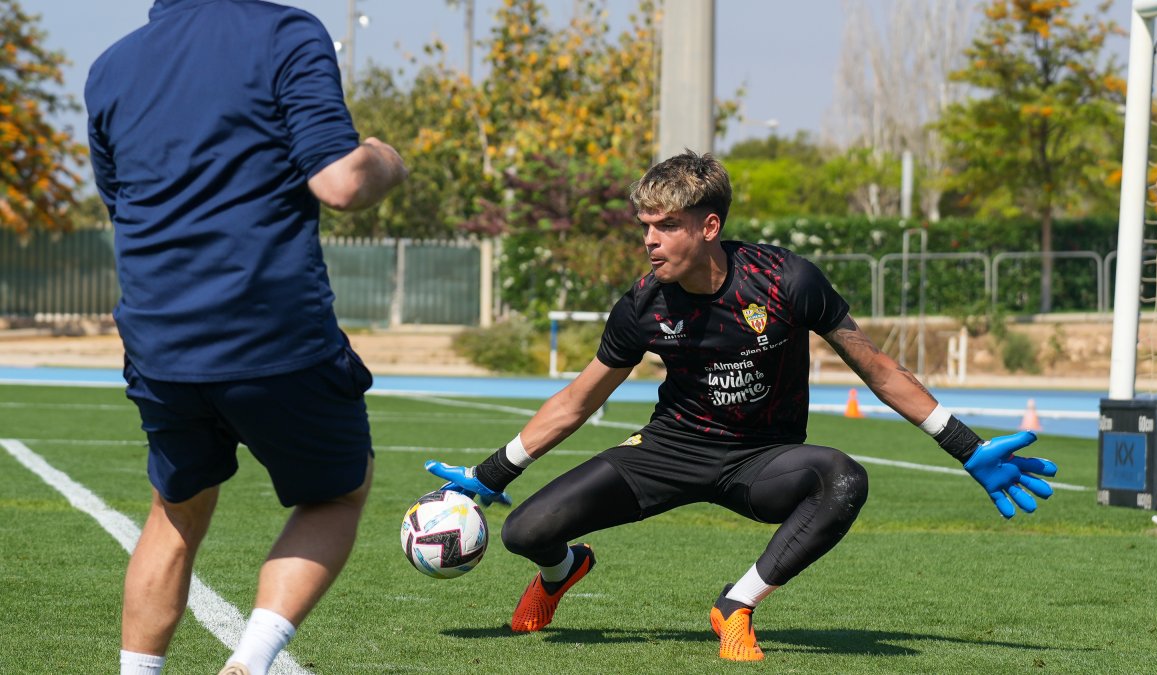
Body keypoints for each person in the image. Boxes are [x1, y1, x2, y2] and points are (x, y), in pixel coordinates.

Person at [426, 150, 1056, 662]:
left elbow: (879, 368)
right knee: (524, 533)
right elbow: (577, 400)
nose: (649, 240)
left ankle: (736, 605)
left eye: (665, 225)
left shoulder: (788, 281)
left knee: (843, 479)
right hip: (668, 451)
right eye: (644, 225)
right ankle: (563, 572)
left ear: (708, 227)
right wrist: (488, 476)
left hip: (762, 460)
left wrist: (965, 445)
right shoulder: (642, 305)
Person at [85, 1, 407, 674]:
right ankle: (251, 660)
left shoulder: (109, 67)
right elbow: (341, 182)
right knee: (337, 492)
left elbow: (124, 204)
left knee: (174, 514)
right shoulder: (285, 32)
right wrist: (384, 158)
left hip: (158, 339)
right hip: (270, 326)